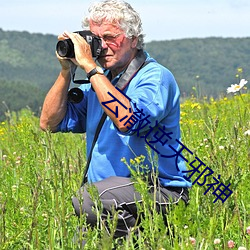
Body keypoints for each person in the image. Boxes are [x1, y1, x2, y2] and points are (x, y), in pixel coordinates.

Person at [40, 0, 191, 244]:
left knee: (89, 199)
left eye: (110, 37)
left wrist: (90, 68)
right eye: (96, 39)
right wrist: (66, 71)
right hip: (111, 199)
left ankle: (145, 241)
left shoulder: (154, 77)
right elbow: (49, 123)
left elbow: (129, 121)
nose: (102, 47)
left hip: (160, 191)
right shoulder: (99, 83)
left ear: (133, 39)